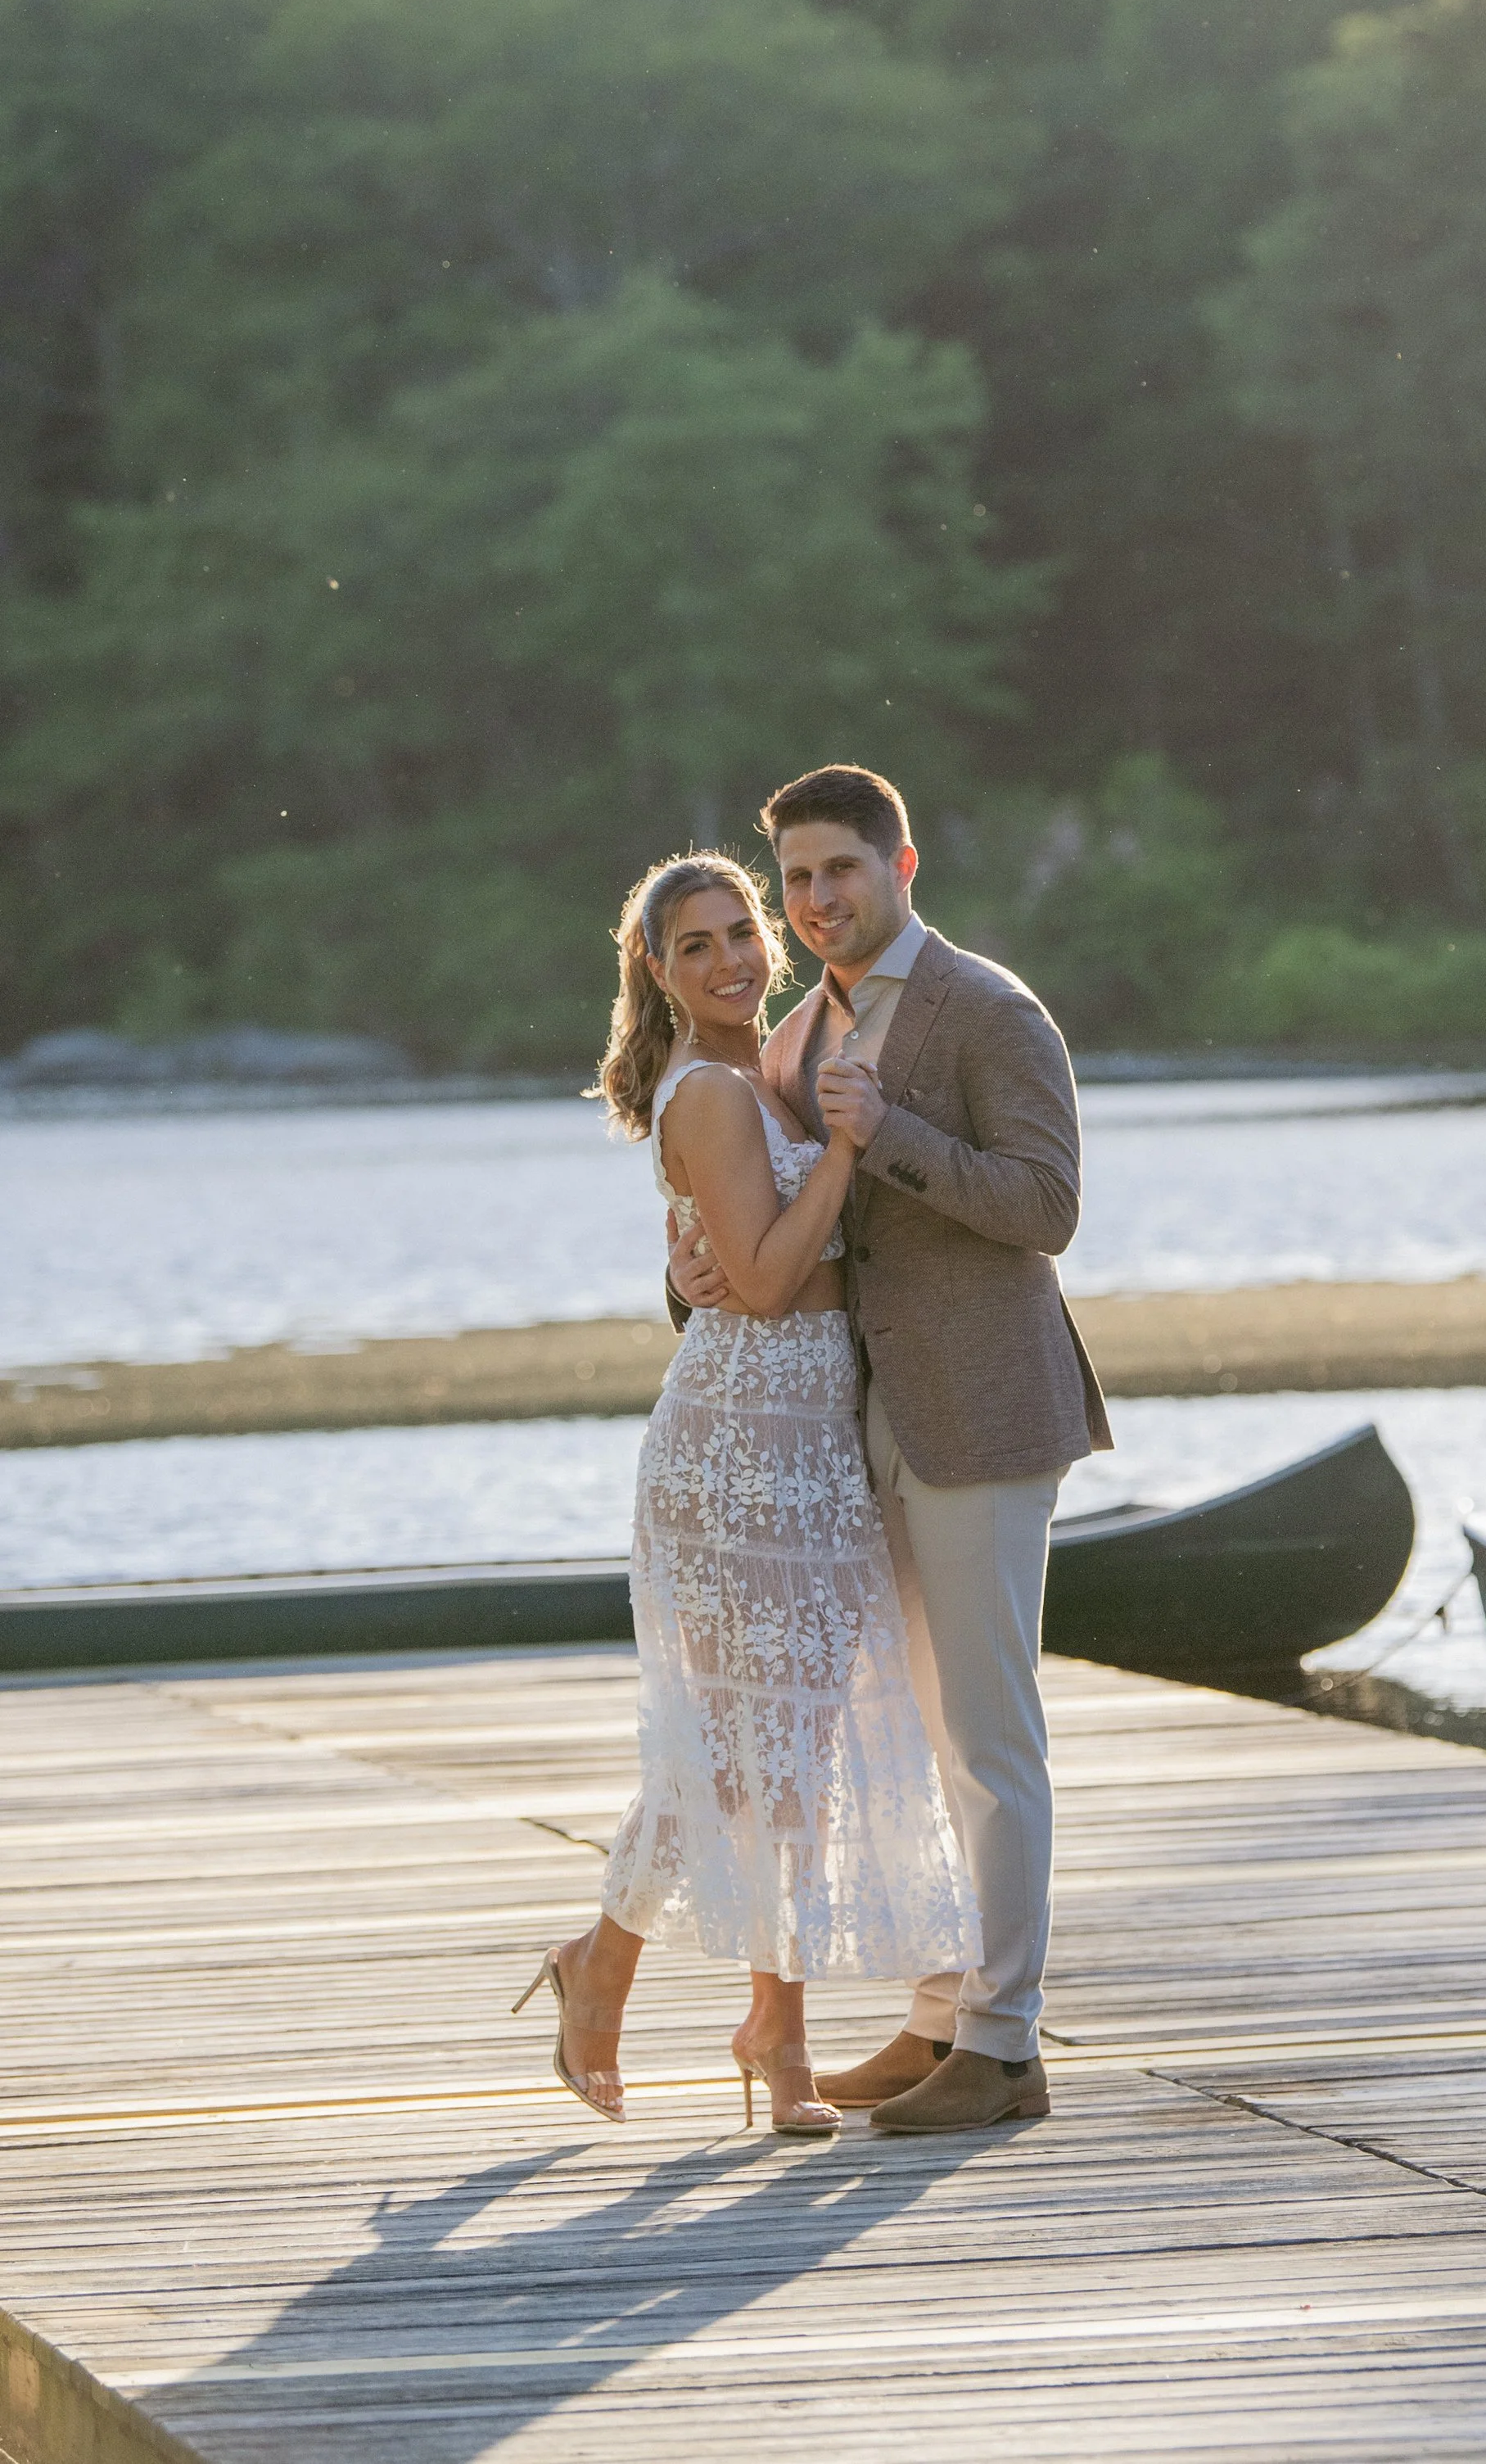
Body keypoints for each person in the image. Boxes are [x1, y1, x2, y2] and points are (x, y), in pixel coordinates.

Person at [671, 764, 1112, 2132]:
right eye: (795, 879)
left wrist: (896, 1134)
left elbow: (1048, 1206)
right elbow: (793, 1238)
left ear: (901, 865)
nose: (812, 902)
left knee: (990, 1736)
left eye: (837, 872)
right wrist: (691, 1278)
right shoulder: (798, 1034)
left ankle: (1007, 2045)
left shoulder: (993, 1008)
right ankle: (936, 2020)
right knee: (920, 1739)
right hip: (864, 1429)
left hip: (984, 1418)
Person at [514, 849, 978, 2136]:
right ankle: (602, 1962)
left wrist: (797, 1160)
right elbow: (769, 1283)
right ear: (658, 974)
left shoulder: (769, 1071)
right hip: (732, 1447)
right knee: (727, 1756)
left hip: (814, 1437)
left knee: (799, 1759)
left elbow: (742, 1257)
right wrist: (843, 1141)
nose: (728, 959)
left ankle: (779, 2030)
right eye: (697, 945)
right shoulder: (716, 1093)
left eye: (740, 932)